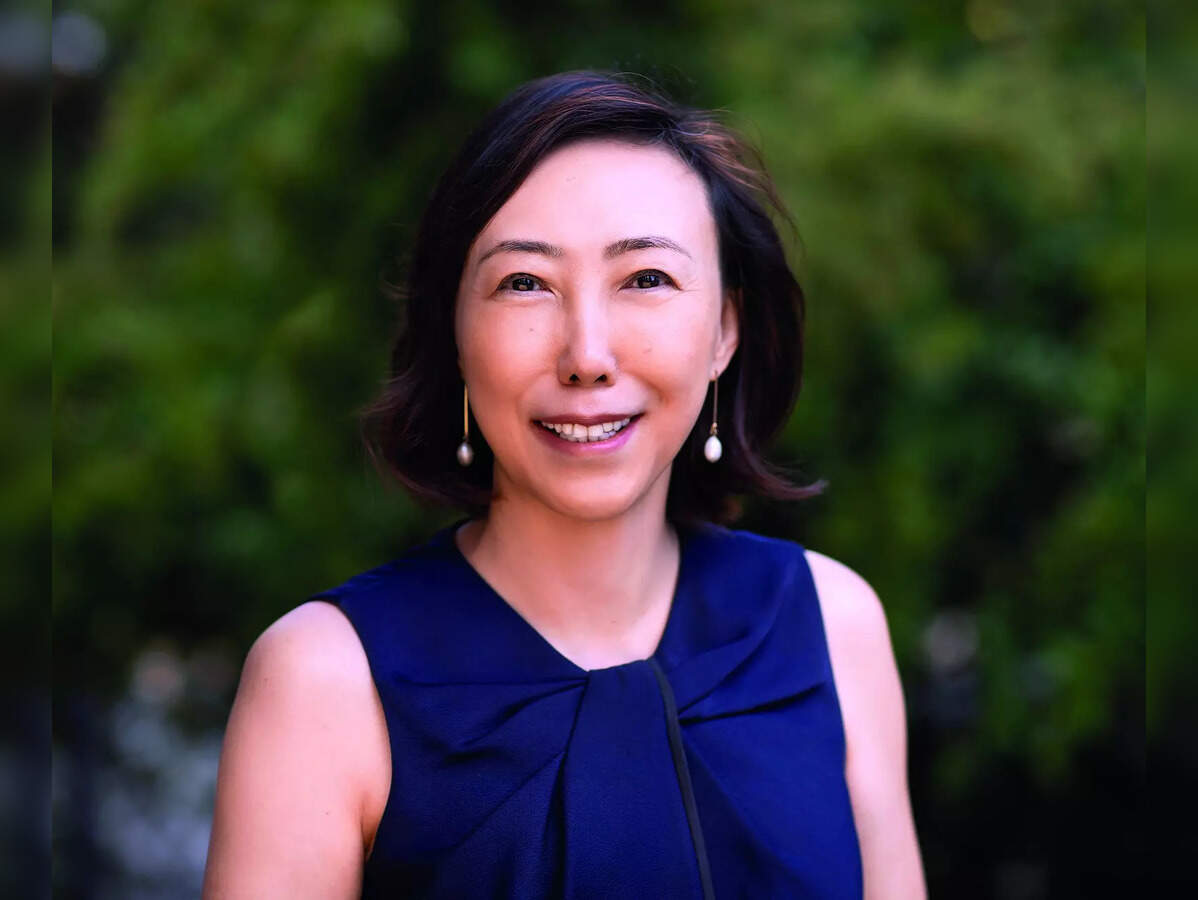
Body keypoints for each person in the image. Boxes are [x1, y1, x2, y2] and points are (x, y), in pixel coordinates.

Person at [202, 70, 926, 899]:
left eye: (646, 279)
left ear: (725, 329)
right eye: (525, 284)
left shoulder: (831, 627)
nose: (587, 355)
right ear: (455, 334)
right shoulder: (324, 682)